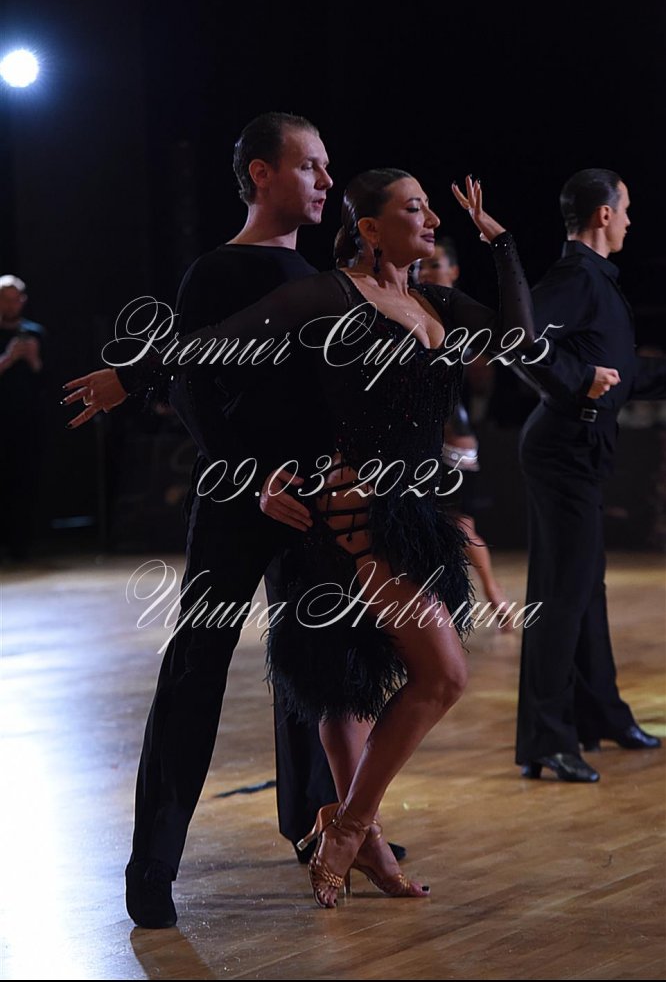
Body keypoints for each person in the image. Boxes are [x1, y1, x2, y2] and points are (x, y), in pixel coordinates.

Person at [64, 169, 536, 908]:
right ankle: (346, 827)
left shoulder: (438, 303)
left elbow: (518, 340)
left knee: (351, 683)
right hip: (355, 514)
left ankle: (353, 829)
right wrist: (130, 375)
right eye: (414, 208)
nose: (432, 220)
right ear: (370, 228)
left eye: (430, 209)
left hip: (413, 515)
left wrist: (500, 242)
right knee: (441, 673)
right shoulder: (330, 295)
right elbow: (215, 345)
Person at [514, 169, 666, 783]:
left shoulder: (597, 278)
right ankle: (546, 739)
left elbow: (622, 373)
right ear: (603, 214)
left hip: (579, 450)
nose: (630, 220)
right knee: (562, 594)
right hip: (561, 450)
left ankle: (601, 712)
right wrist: (578, 381)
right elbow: (517, 340)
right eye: (625, 209)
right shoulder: (576, 276)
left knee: (585, 587)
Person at [417, 238, 507, 609]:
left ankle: (493, 594)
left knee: (460, 523)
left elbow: (483, 376)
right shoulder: (413, 306)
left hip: (451, 432)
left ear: (454, 271)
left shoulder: (461, 315)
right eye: (421, 266)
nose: (425, 272)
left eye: (435, 264)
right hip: (420, 432)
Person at [0, 274, 46, 562]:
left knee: (24, 480)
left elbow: (47, 378)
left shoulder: (34, 333)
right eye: (4, 299)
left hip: (26, 420)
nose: (10, 305)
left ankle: (21, 545)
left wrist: (32, 359)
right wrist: (7, 358)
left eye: (15, 299)